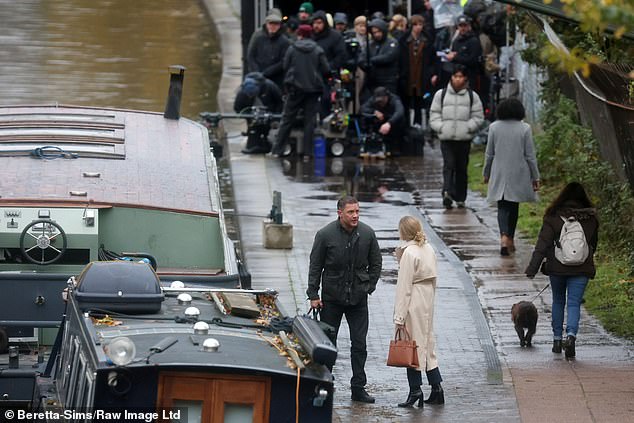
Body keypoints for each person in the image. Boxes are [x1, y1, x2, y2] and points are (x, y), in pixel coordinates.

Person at [307, 196, 382, 403]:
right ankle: (325, 385)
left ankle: (358, 387)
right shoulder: (325, 235)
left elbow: (376, 262)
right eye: (351, 212)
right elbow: (315, 266)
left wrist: (369, 286)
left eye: (357, 211)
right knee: (327, 344)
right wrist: (313, 295)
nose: (355, 215)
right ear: (340, 213)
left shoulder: (367, 234)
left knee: (359, 345)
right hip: (331, 299)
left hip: (358, 299)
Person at [525, 182, 599, 359]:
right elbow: (593, 245)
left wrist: (532, 268)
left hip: (557, 268)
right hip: (581, 269)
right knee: (574, 303)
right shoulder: (591, 218)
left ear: (562, 196)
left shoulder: (553, 216)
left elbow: (542, 244)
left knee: (558, 301)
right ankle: (571, 336)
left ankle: (557, 340)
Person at [393, 216, 444, 407]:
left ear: (403, 232)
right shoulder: (428, 249)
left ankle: (415, 390)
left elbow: (404, 287)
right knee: (427, 344)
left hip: (413, 299)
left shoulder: (409, 253)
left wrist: (399, 316)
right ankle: (437, 387)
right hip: (427, 298)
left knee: (411, 345)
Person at [483, 98, 540, 255]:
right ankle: (511, 238)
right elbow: (530, 156)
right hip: (518, 173)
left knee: (502, 206)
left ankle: (504, 237)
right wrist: (535, 176)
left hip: (499, 172)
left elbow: (489, 154)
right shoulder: (525, 128)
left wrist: (486, 173)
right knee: (513, 206)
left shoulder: (494, 127)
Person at [429, 65, 484, 209]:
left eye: (460, 76)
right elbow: (434, 114)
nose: (458, 79)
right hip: (446, 137)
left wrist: (468, 128)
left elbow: (478, 117)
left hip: (463, 139)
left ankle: (460, 196)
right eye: (455, 76)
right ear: (451, 77)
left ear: (465, 78)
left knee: (461, 168)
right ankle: (447, 192)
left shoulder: (473, 96)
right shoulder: (441, 94)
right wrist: (440, 127)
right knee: (449, 165)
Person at [272, 24, 330, 157]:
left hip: (295, 89)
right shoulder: (318, 49)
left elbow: (285, 66)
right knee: (309, 122)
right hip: (313, 90)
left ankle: (277, 150)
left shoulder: (292, 48)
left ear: (300, 35)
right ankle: (308, 153)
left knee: (287, 119)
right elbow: (326, 69)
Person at [398, 14, 438, 128]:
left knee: (420, 102)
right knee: (406, 100)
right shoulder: (403, 40)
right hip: (407, 75)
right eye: (415, 24)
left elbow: (433, 59)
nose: (418, 27)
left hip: (422, 74)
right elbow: (399, 59)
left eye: (420, 24)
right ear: (411, 25)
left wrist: (434, 73)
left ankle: (419, 126)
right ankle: (406, 128)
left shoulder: (427, 40)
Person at [233, 72, 283, 154]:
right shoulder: (242, 93)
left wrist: (275, 118)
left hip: (270, 115)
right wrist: (249, 115)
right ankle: (254, 143)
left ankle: (267, 142)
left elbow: (280, 102)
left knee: (270, 132)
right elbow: (238, 108)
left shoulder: (270, 86)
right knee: (253, 132)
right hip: (253, 118)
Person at [246, 9, 290, 90]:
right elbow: (250, 55)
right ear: (266, 23)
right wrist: (257, 72)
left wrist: (268, 72)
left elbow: (284, 61)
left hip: (276, 79)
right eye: (271, 23)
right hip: (257, 78)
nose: (273, 26)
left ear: (280, 25)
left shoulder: (285, 40)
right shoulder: (257, 36)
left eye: (276, 24)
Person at [360, 86, 406, 157]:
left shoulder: (395, 100)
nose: (380, 103)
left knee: (400, 120)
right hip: (380, 122)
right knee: (365, 118)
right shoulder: (373, 100)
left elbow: (400, 112)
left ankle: (395, 147)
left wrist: (389, 123)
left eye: (382, 101)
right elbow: (363, 108)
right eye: (378, 101)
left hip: (392, 124)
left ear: (386, 97)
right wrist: (374, 111)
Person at [362, 18, 400, 95]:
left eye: (379, 31)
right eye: (374, 32)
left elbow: (388, 57)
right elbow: (362, 57)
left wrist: (371, 60)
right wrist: (365, 65)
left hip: (388, 81)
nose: (377, 34)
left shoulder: (392, 42)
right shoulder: (370, 44)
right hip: (372, 81)